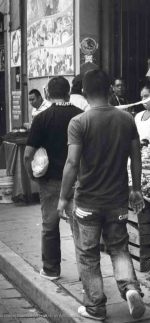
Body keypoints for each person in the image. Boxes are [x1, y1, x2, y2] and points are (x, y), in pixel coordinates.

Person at [57, 70, 146, 321]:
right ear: (109, 90)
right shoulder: (126, 119)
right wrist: (136, 189)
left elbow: (72, 163)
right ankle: (130, 289)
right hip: (117, 199)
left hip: (87, 201)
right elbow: (136, 158)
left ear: (84, 93)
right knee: (119, 248)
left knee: (88, 253)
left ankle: (95, 307)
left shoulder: (79, 123)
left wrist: (63, 197)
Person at [24, 76, 83, 281]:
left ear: (48, 94)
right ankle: (87, 274)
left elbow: (28, 155)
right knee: (80, 228)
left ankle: (51, 269)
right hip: (77, 180)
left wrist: (31, 174)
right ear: (68, 93)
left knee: (50, 225)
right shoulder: (81, 116)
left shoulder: (41, 118)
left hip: (49, 181)